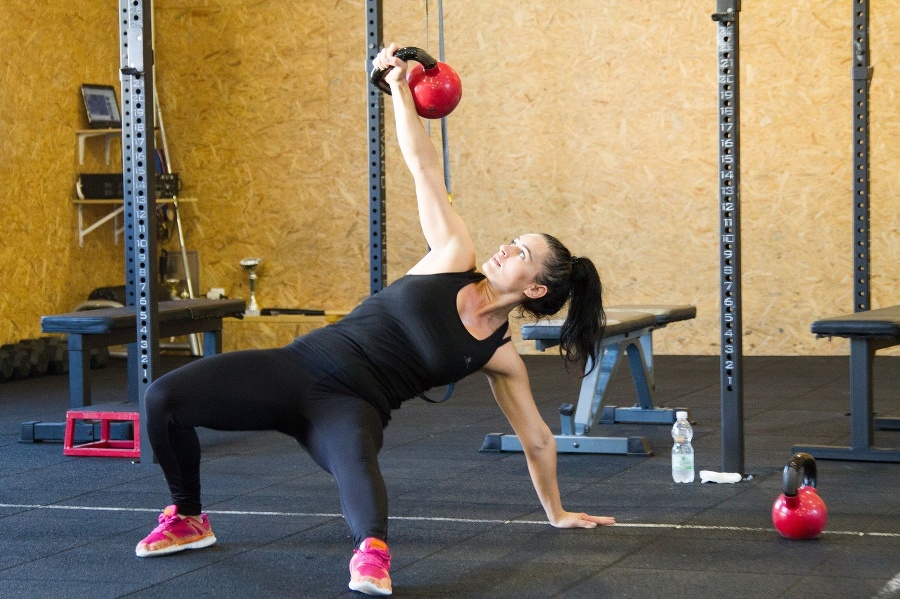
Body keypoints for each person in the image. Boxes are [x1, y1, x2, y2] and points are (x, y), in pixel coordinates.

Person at [134, 42, 615, 597]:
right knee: (162, 399)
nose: (505, 249)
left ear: (534, 289)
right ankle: (189, 517)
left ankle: (372, 555)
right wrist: (399, 91)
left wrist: (555, 512)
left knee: (361, 479)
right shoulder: (452, 256)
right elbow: (421, 165)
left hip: (352, 407)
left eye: (521, 253)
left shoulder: (497, 355)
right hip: (298, 366)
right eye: (511, 241)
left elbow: (537, 440)